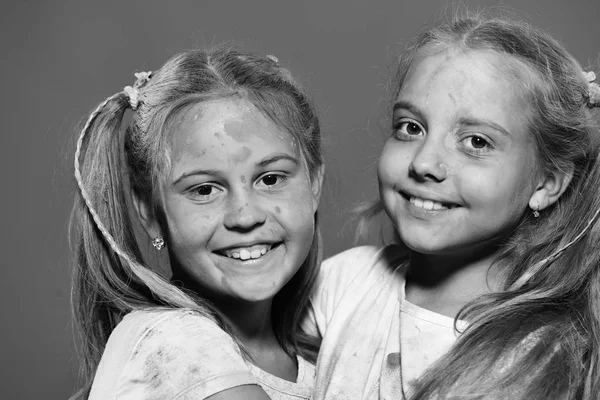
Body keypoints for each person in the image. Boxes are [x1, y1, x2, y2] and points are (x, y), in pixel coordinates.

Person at [307, 11, 600, 400]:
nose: (424, 163)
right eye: (411, 127)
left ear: (547, 182)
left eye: (476, 142)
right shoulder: (345, 282)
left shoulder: (547, 354)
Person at [69, 48, 324, 400]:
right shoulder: (175, 344)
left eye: (270, 179)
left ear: (314, 185)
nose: (245, 216)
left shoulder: (325, 352)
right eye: (204, 189)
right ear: (149, 212)